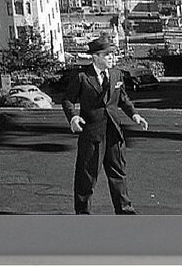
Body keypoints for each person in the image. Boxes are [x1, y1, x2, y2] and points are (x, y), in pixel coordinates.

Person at [62, 36, 149, 214]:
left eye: (113, 55)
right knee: (87, 177)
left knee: (118, 174)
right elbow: (68, 100)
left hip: (114, 133)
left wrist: (134, 115)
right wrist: (73, 118)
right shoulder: (82, 77)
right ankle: (83, 214)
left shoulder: (116, 74)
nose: (112, 58)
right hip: (92, 134)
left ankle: (125, 212)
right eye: (107, 55)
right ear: (95, 56)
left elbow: (123, 98)